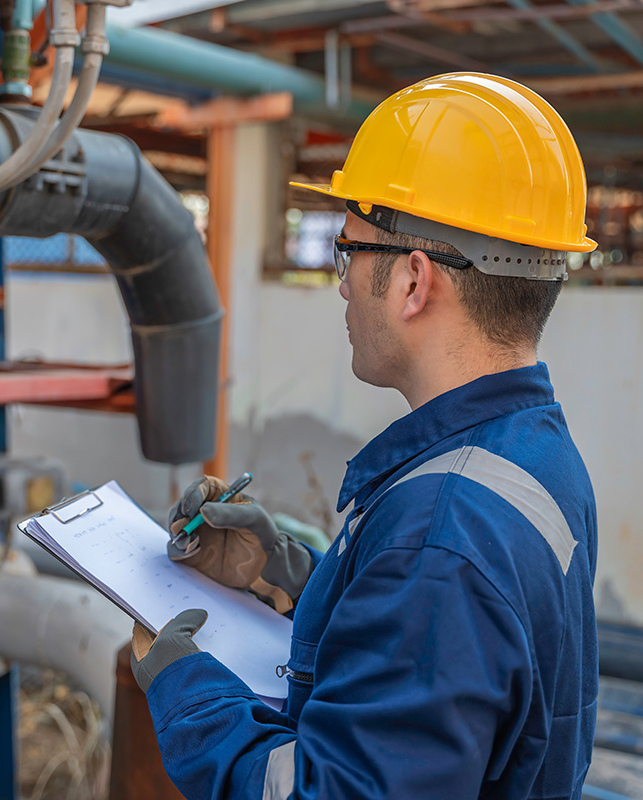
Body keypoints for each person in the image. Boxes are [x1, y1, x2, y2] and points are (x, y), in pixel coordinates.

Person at [129, 72, 599, 799]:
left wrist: (183, 687)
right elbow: (440, 655)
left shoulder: (440, 539)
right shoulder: (528, 451)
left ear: (415, 282)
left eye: (349, 251)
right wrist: (287, 575)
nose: (342, 284)